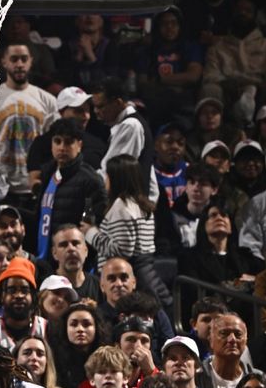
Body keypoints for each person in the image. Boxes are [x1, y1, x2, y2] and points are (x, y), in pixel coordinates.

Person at [0, 41, 58, 208]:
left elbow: (54, 143)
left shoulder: (47, 100)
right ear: (4, 62)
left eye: (24, 59)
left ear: (31, 61)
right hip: (0, 186)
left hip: (36, 184)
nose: (19, 64)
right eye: (14, 59)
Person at [81, 155, 170, 308]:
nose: (105, 180)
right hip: (147, 275)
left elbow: (121, 251)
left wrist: (90, 233)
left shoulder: (121, 207)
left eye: (108, 175)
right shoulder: (141, 205)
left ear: (116, 179)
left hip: (134, 279)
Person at [34, 118, 107, 261]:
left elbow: (96, 226)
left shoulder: (91, 180)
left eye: (68, 142)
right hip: (45, 257)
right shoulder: (48, 173)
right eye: (57, 141)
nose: (62, 147)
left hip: (73, 263)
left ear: (79, 145)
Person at [91, 77, 158, 203]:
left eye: (100, 106)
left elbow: (111, 173)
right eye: (94, 107)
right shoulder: (129, 124)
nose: (96, 111)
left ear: (118, 103)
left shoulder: (130, 126)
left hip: (128, 210)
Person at [52, 302, 111, 388]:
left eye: (86, 324)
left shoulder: (108, 359)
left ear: (96, 328)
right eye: (74, 324)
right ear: (65, 328)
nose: (80, 329)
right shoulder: (54, 358)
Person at [0, 257, 44, 350]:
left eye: (24, 290)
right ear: (2, 296)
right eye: (12, 290)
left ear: (32, 296)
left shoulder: (45, 329)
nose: (19, 295)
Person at [196, 314, 252, 388]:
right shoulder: (196, 377)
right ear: (211, 340)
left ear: (246, 341)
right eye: (224, 333)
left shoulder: (259, 379)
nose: (232, 339)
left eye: (238, 334)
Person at [51, 225, 101, 302]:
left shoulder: (99, 286)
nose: (71, 248)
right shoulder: (46, 287)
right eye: (64, 245)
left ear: (86, 250)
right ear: (54, 253)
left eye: (75, 243)